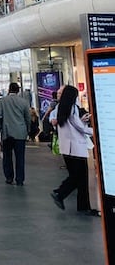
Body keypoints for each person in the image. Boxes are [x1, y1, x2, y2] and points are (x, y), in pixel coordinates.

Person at [50, 85, 99, 216]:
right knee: (79, 177)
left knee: (78, 177)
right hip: (76, 148)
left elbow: (71, 124)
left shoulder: (60, 108)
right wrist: (94, 132)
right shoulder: (72, 108)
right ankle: (60, 193)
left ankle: (83, 206)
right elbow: (78, 127)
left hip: (67, 148)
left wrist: (81, 120)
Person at [0, 82, 31, 186]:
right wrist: (28, 130)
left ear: (9, 90)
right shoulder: (24, 102)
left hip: (7, 133)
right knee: (20, 157)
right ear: (18, 90)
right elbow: (28, 118)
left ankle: (9, 177)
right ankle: (20, 179)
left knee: (7, 156)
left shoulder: (2, 101)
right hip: (20, 133)